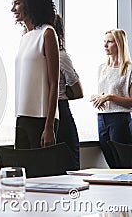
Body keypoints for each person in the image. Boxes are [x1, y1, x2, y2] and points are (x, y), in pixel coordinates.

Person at [11, 0, 59, 149]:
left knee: (41, 173)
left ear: (30, 4)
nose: (13, 9)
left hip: (41, 118)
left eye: (17, 3)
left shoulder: (47, 33)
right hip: (22, 116)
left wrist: (49, 126)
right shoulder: (24, 38)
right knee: (23, 172)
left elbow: (54, 83)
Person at [90, 29, 132, 168]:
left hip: (120, 119)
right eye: (104, 42)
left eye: (109, 41)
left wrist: (110, 97)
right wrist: (97, 97)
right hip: (102, 118)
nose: (105, 45)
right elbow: (103, 93)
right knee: (111, 162)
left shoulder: (128, 69)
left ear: (119, 44)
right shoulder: (102, 68)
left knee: (123, 162)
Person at [54, 14, 83, 170]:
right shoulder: (61, 55)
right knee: (69, 163)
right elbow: (78, 91)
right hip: (61, 108)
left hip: (42, 110)